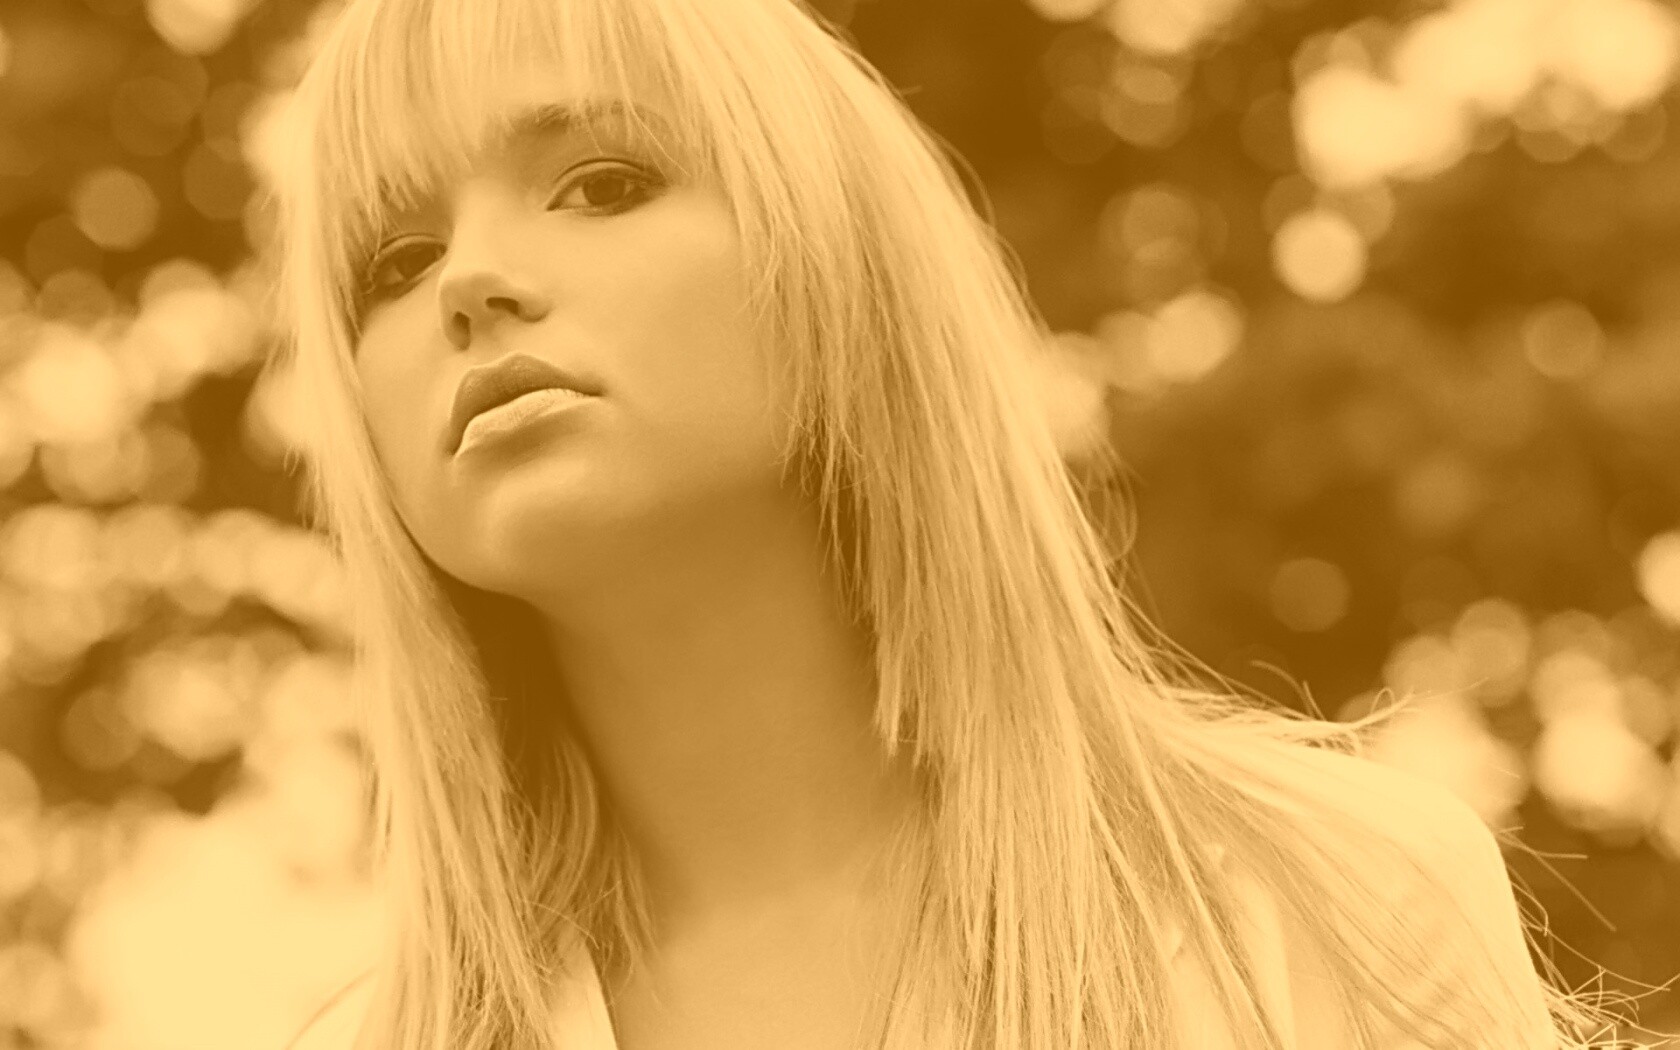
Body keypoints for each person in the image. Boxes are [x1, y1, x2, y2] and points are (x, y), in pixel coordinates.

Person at [262, 0, 1633, 1046]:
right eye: (396, 260)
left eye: (603, 182)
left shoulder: (1332, 904)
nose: (472, 280)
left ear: (838, 275)